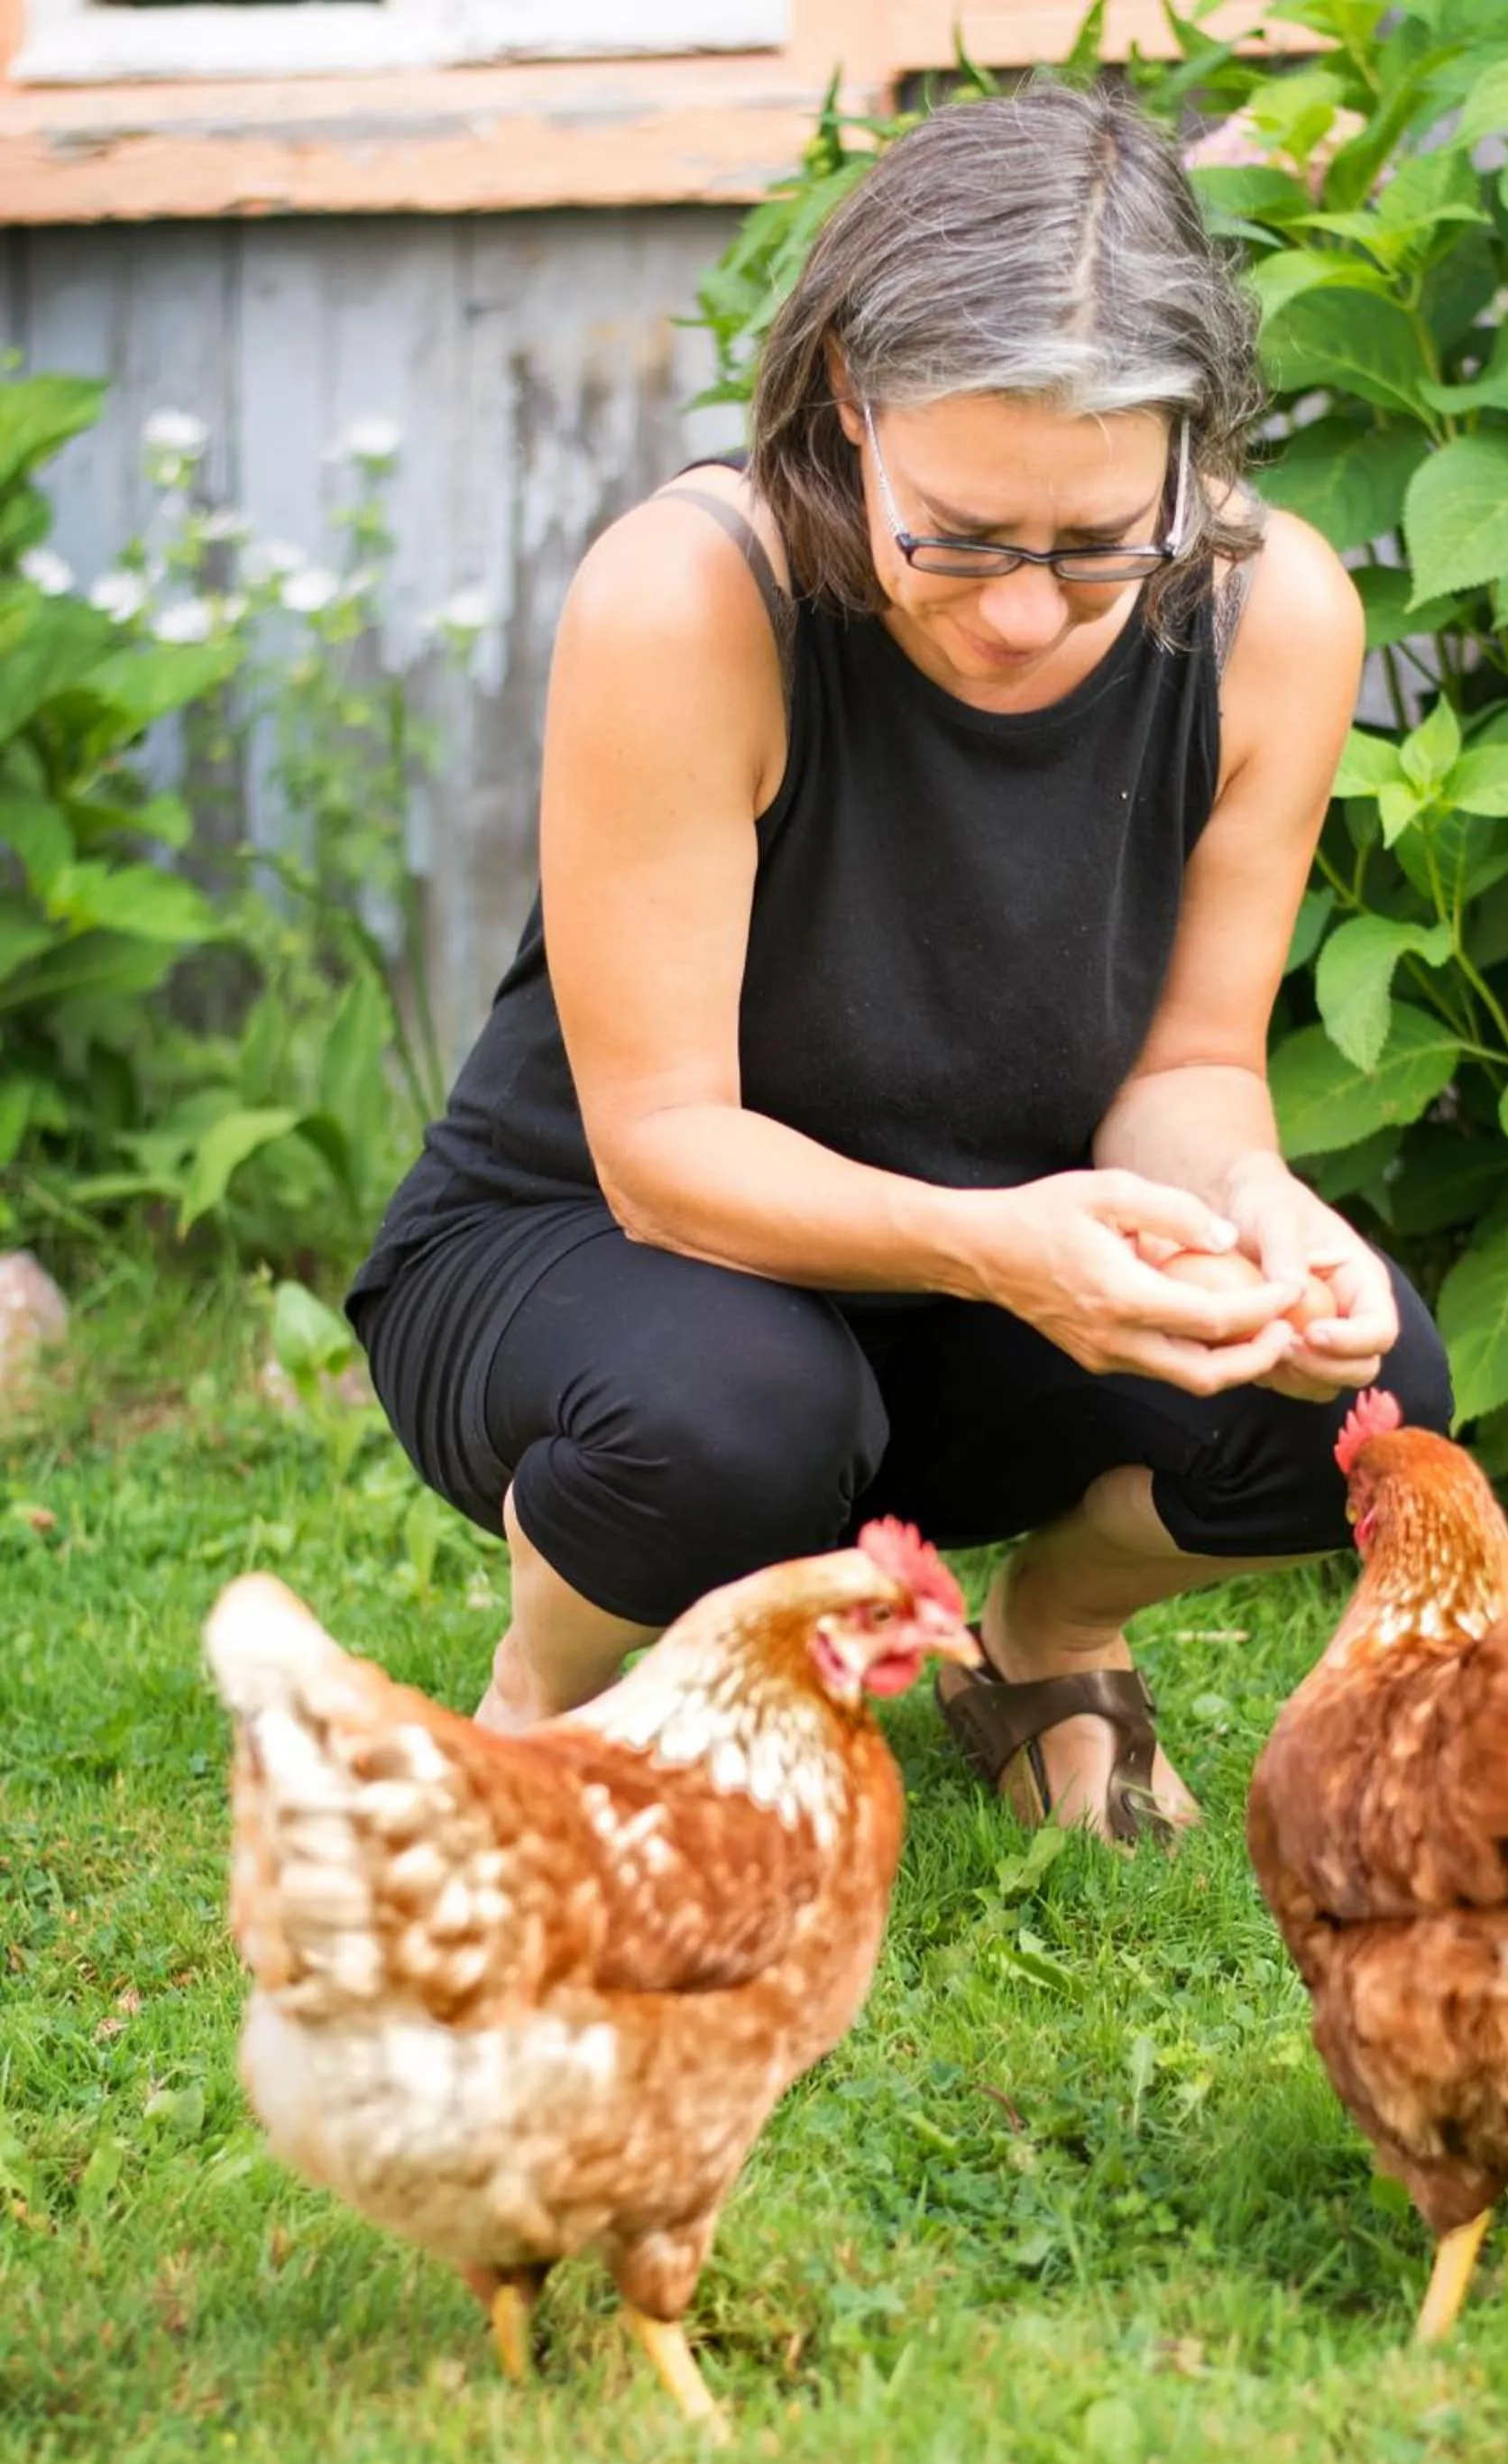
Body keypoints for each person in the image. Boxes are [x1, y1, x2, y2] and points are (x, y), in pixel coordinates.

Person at [346, 81, 1451, 1845]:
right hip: (603, 1257)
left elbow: (1185, 1071)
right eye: (960, 531)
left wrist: (1255, 1206)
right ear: (852, 399)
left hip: (982, 1278)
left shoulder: (1276, 619)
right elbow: (659, 1154)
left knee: (1362, 1392)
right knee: (736, 1416)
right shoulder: (694, 600)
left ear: (1193, 448)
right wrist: (999, 1248)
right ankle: (546, 1692)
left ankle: (1043, 1637)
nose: (1021, 612)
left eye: (1096, 548)